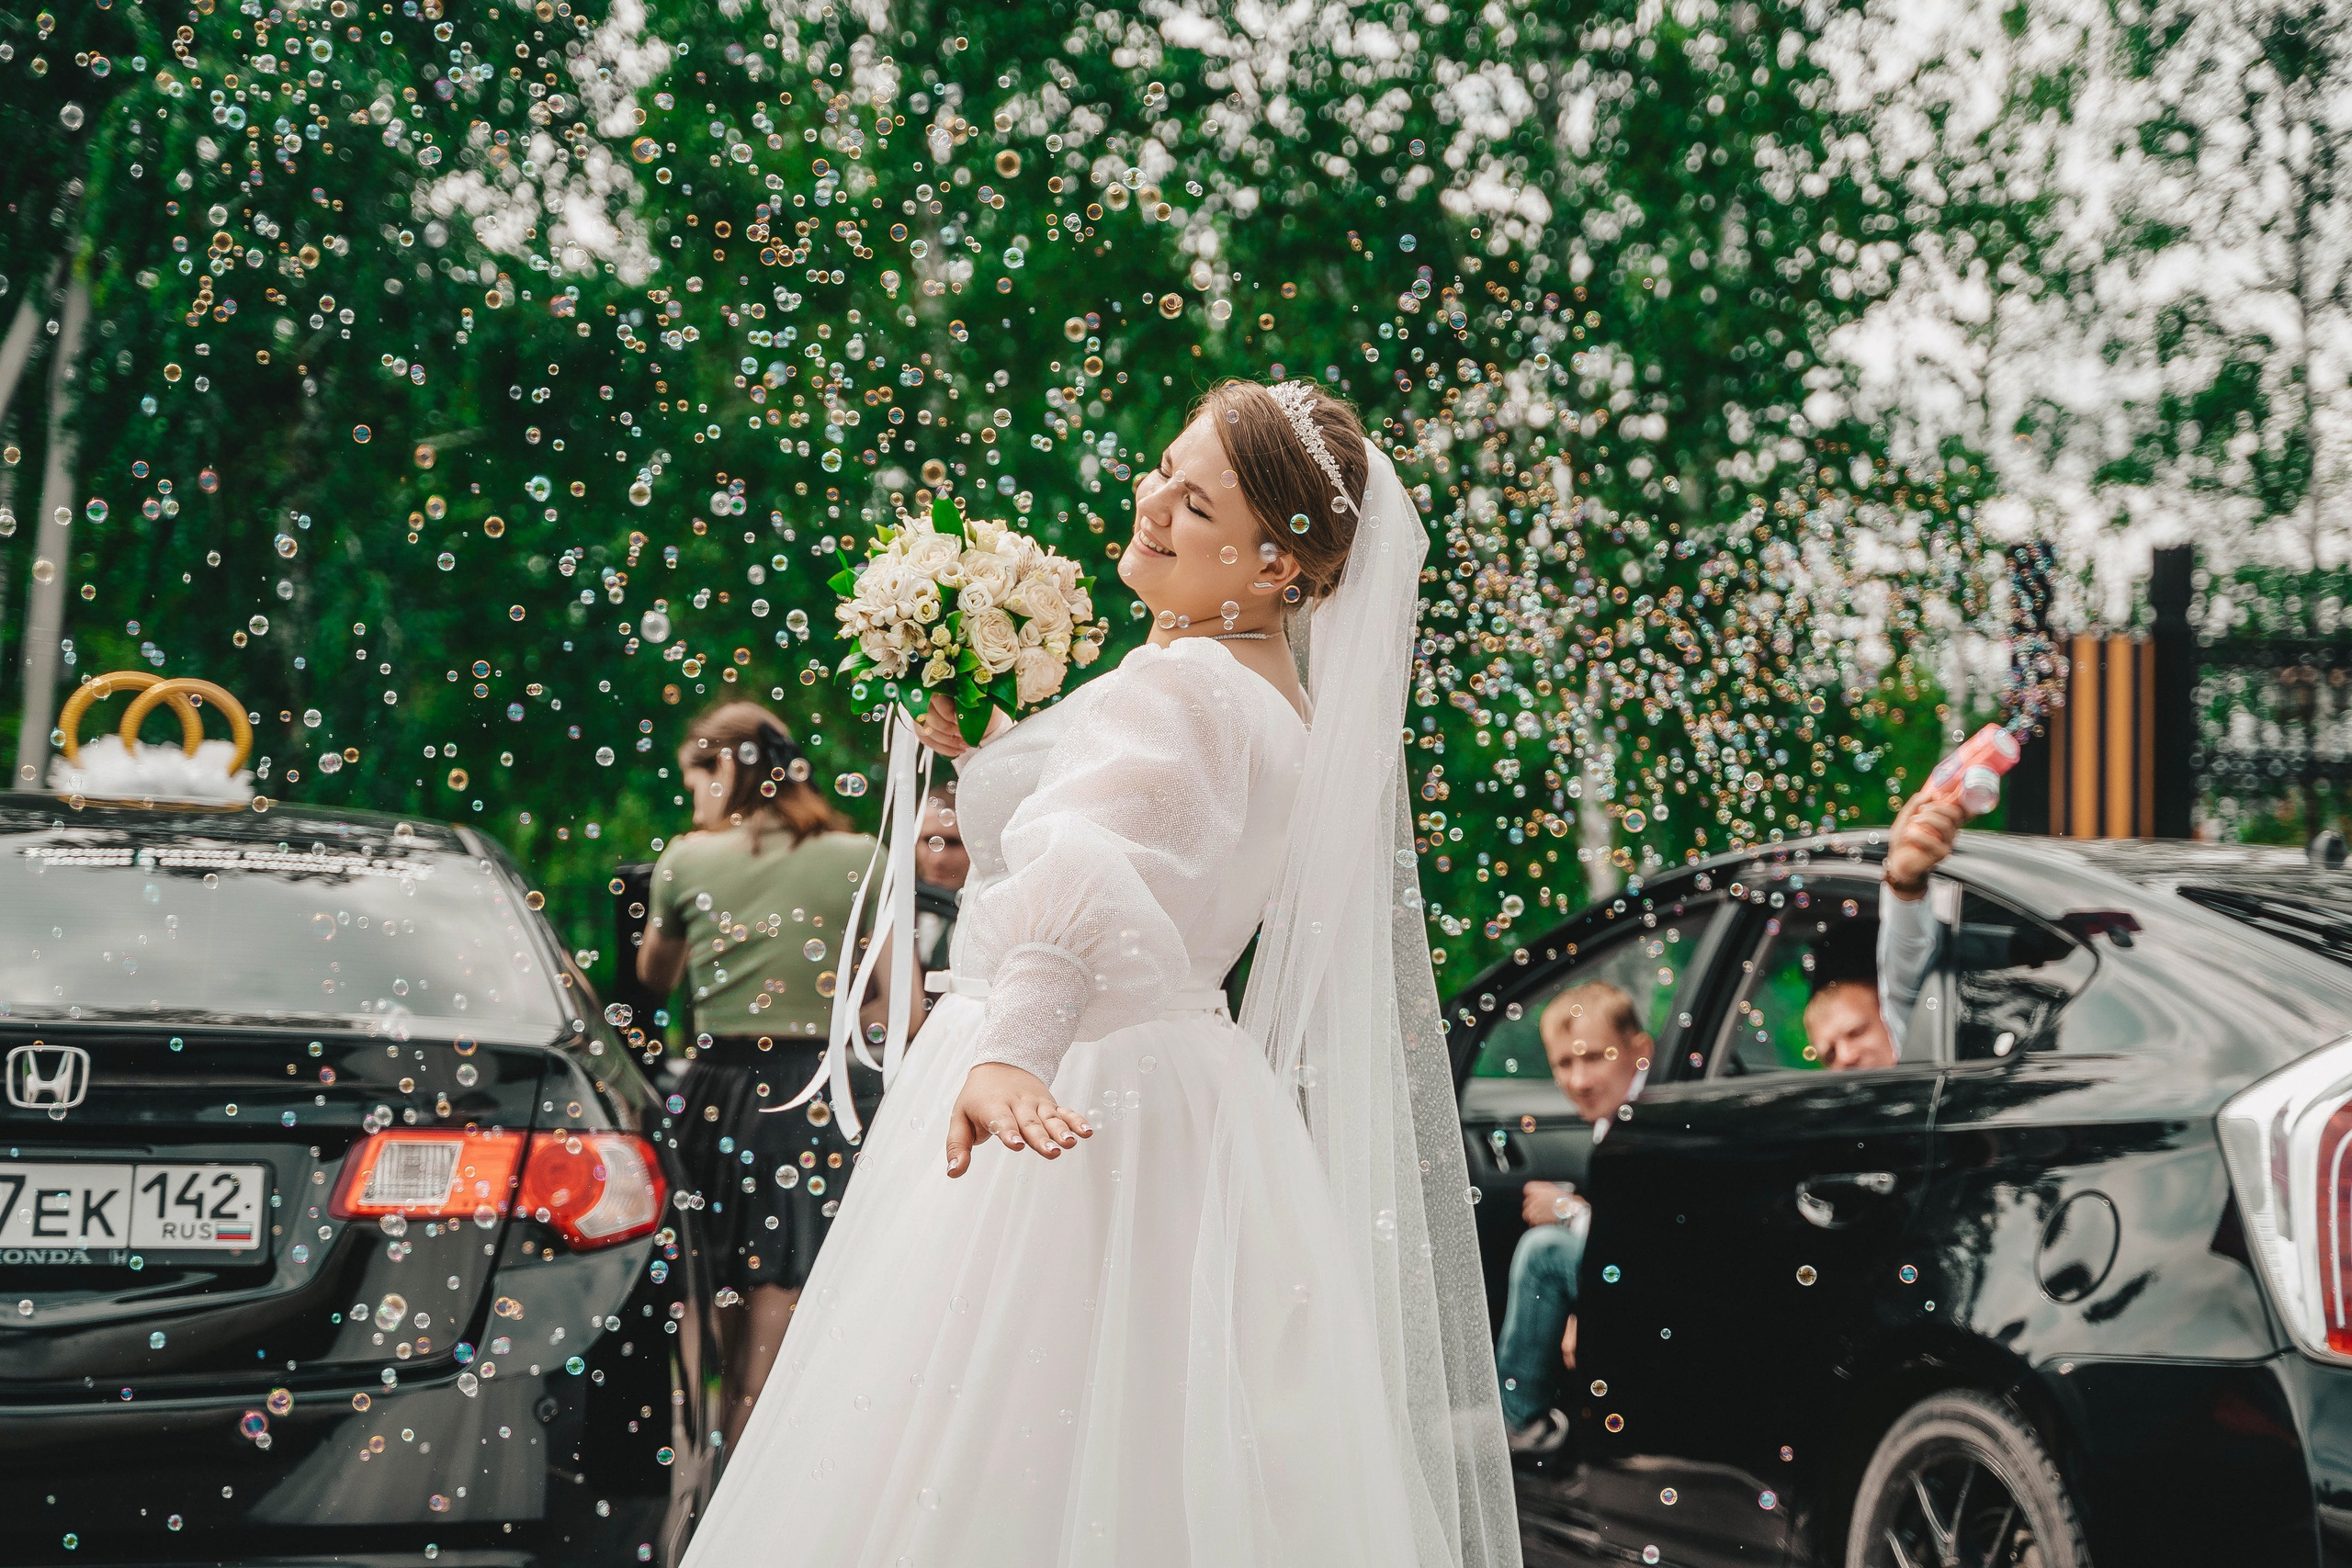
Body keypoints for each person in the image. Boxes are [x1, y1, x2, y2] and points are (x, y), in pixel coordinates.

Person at [679, 379, 1517, 1568]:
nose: (1153, 502)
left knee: (983, 1441)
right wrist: (992, 743)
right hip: (1182, 1097)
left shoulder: (1181, 685)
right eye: (1164, 470)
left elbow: (1089, 856)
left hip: (1069, 1084)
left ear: (1277, 563)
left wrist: (1014, 1047)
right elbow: (1136, 829)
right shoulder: (1275, 700)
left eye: (1197, 501)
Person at [635, 701, 913, 1455]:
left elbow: (654, 976)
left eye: (694, 778)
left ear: (726, 766)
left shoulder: (686, 859)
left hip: (715, 1090)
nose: (693, 799)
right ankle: (755, 1466)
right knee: (781, 1296)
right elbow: (902, 1003)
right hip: (811, 1094)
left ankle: (701, 1471)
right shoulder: (859, 855)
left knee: (712, 1283)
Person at [1498, 982, 1649, 1450]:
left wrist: (1566, 1210)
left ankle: (1520, 1422)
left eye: (1596, 1057)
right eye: (1564, 1063)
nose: (1579, 1081)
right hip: (1640, 1273)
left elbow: (1642, 1237)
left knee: (1544, 1251)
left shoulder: (1645, 1123)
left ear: (1640, 1052)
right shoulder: (1616, 1118)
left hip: (1657, 1277)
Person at [911, 780, 967, 974]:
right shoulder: (891, 915)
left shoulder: (997, 923)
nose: (938, 859)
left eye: (953, 843)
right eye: (929, 841)